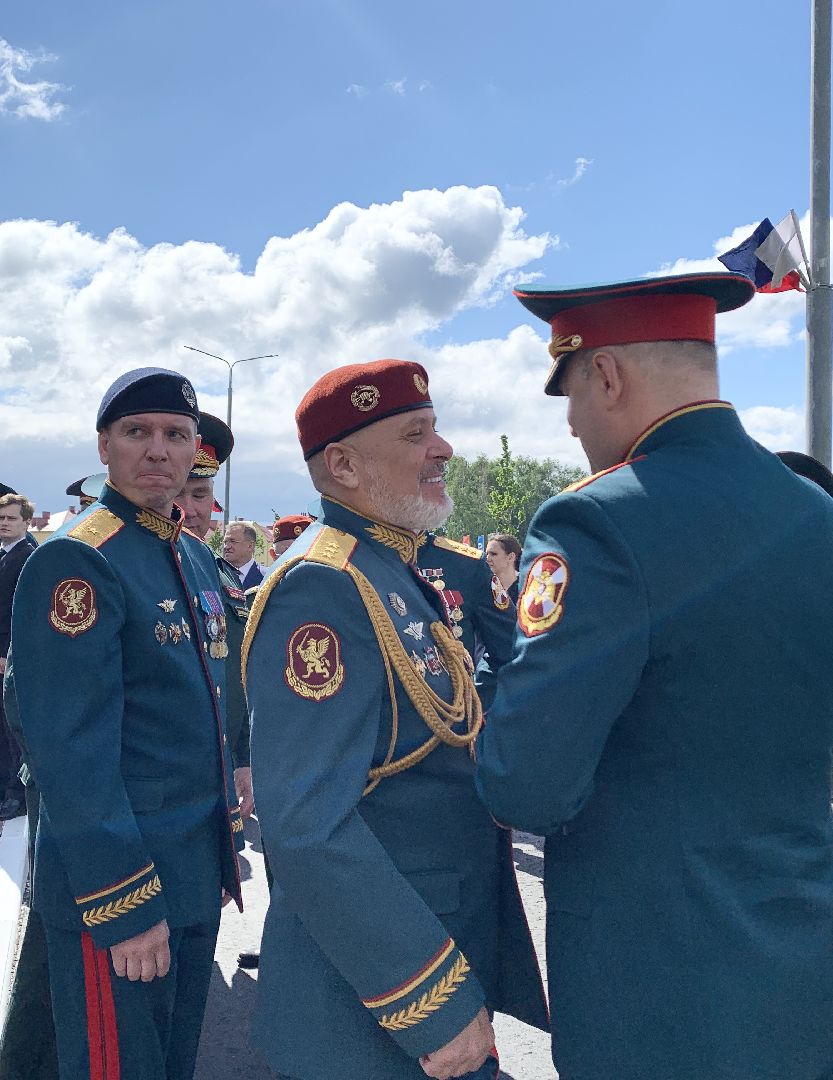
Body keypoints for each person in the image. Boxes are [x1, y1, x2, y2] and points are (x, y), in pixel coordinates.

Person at [475, 271, 833, 1080]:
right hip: (802, 955)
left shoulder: (595, 519)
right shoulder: (813, 510)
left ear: (605, 374)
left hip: (657, 982)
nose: (569, 424)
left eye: (567, 393)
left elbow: (526, 785)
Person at [244, 359, 547, 1080]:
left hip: (432, 941)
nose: (442, 450)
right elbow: (307, 825)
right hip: (378, 992)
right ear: (342, 464)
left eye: (435, 429)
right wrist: (430, 1000)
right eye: (417, 434)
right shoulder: (325, 584)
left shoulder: (392, 566)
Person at [8, 367, 244, 1080]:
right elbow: (69, 752)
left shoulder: (193, 555)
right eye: (137, 432)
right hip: (123, 885)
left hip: (193, 869)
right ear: (104, 446)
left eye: (175, 435)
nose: (158, 450)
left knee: (167, 1062)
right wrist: (124, 904)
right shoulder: (80, 557)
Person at [176, 411, 253, 821]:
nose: (189, 509)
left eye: (200, 495)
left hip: (218, 769)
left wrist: (241, 757)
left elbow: (231, 670)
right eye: (178, 495)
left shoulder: (216, 568)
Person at [416, 532, 515, 711]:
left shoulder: (467, 564)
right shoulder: (353, 558)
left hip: (449, 722)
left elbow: (508, 647)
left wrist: (475, 699)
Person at [0, 493, 35, 819]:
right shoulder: (3, 555)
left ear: (26, 521)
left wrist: (7, 653)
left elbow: (21, 613)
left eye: (11, 518)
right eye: (1, 518)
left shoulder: (27, 557)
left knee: (12, 729)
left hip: (9, 658)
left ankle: (15, 794)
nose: (5, 523)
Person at [222, 520, 266, 588]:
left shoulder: (266, 577)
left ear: (250, 546)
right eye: (225, 542)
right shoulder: (218, 576)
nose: (226, 547)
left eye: (233, 541)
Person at [484, 533, 522, 604]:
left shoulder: (527, 591)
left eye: (493, 554)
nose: (487, 559)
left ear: (510, 557)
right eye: (487, 554)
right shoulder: (484, 591)